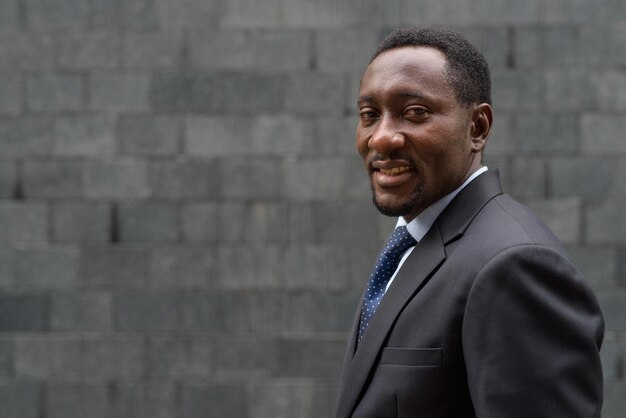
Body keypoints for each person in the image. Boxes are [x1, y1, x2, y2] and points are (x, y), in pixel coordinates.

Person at [334, 26, 604, 418]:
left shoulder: (514, 266)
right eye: (369, 115)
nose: (381, 137)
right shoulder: (412, 243)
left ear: (477, 127)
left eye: (414, 113)